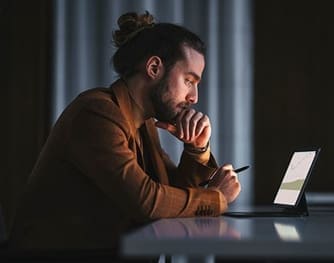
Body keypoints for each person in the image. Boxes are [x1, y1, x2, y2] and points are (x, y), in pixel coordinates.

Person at [9, 11, 241, 251]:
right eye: (189, 81)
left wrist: (196, 149)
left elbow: (170, 193)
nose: (194, 97)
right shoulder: (97, 113)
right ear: (153, 68)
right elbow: (147, 201)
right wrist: (217, 198)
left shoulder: (142, 122)